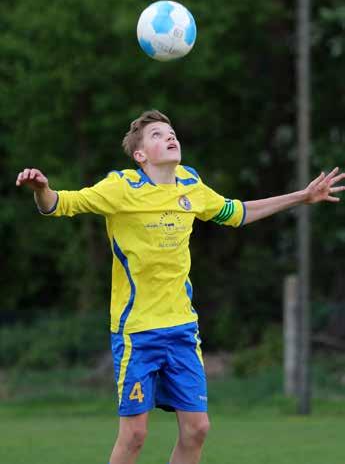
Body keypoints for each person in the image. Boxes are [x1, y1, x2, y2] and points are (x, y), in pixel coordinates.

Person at [16, 109, 345, 464]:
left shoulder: (191, 184)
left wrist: (301, 196)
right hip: (136, 332)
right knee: (135, 435)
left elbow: (237, 212)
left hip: (181, 329)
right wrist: (43, 190)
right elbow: (61, 204)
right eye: (157, 135)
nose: (170, 137)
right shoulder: (121, 187)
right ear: (140, 155)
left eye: (171, 132)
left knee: (197, 428)